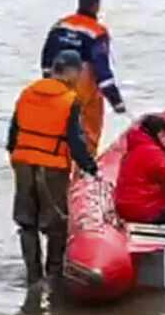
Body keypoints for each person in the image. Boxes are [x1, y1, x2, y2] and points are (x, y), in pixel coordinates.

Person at [7, 50, 99, 285]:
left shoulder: (28, 92)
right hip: (53, 167)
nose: (79, 76)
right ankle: (54, 276)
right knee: (56, 224)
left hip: (24, 163)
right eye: (78, 71)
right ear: (68, 71)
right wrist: (90, 167)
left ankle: (33, 276)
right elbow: (75, 140)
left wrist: (16, 157)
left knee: (27, 222)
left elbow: (13, 131)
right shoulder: (69, 100)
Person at [40, 0, 125, 156]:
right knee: (87, 133)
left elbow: (46, 58)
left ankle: (56, 163)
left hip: (57, 85)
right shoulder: (97, 32)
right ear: (95, 5)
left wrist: (48, 85)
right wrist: (116, 101)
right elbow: (102, 71)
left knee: (58, 127)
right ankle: (84, 173)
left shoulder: (60, 25)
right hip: (84, 89)